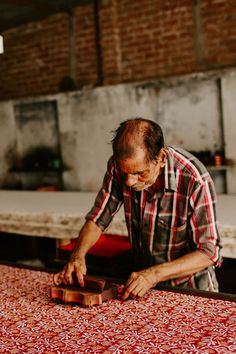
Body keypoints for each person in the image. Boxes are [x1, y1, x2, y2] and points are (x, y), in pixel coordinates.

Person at [54, 118, 222, 299]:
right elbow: (98, 218)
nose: (129, 181)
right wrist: (78, 255)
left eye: (139, 173)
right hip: (144, 286)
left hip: (190, 289)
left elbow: (209, 252)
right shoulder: (118, 167)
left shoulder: (195, 180)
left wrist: (153, 274)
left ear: (162, 158)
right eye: (125, 173)